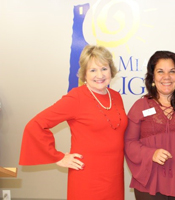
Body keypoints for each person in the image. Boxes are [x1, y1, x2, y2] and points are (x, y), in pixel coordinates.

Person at [19, 45, 128, 200]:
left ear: (111, 70)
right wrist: (58, 157)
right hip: (87, 176)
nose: (100, 75)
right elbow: (35, 125)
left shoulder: (116, 96)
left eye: (104, 68)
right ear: (84, 73)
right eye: (92, 70)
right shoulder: (76, 97)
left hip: (114, 176)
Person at [124, 51, 175, 200]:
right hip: (149, 183)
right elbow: (129, 143)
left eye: (172, 71)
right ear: (153, 76)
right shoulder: (139, 106)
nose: (166, 77)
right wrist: (151, 154)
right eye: (160, 71)